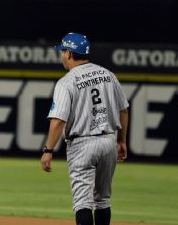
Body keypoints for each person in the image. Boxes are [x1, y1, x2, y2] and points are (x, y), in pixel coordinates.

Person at [40, 32, 129, 225]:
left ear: (70, 54)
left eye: (62, 51)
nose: (61, 55)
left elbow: (58, 120)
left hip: (82, 144)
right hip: (108, 141)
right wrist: (121, 140)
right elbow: (123, 109)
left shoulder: (67, 81)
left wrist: (48, 150)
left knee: (82, 202)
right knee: (103, 199)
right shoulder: (108, 74)